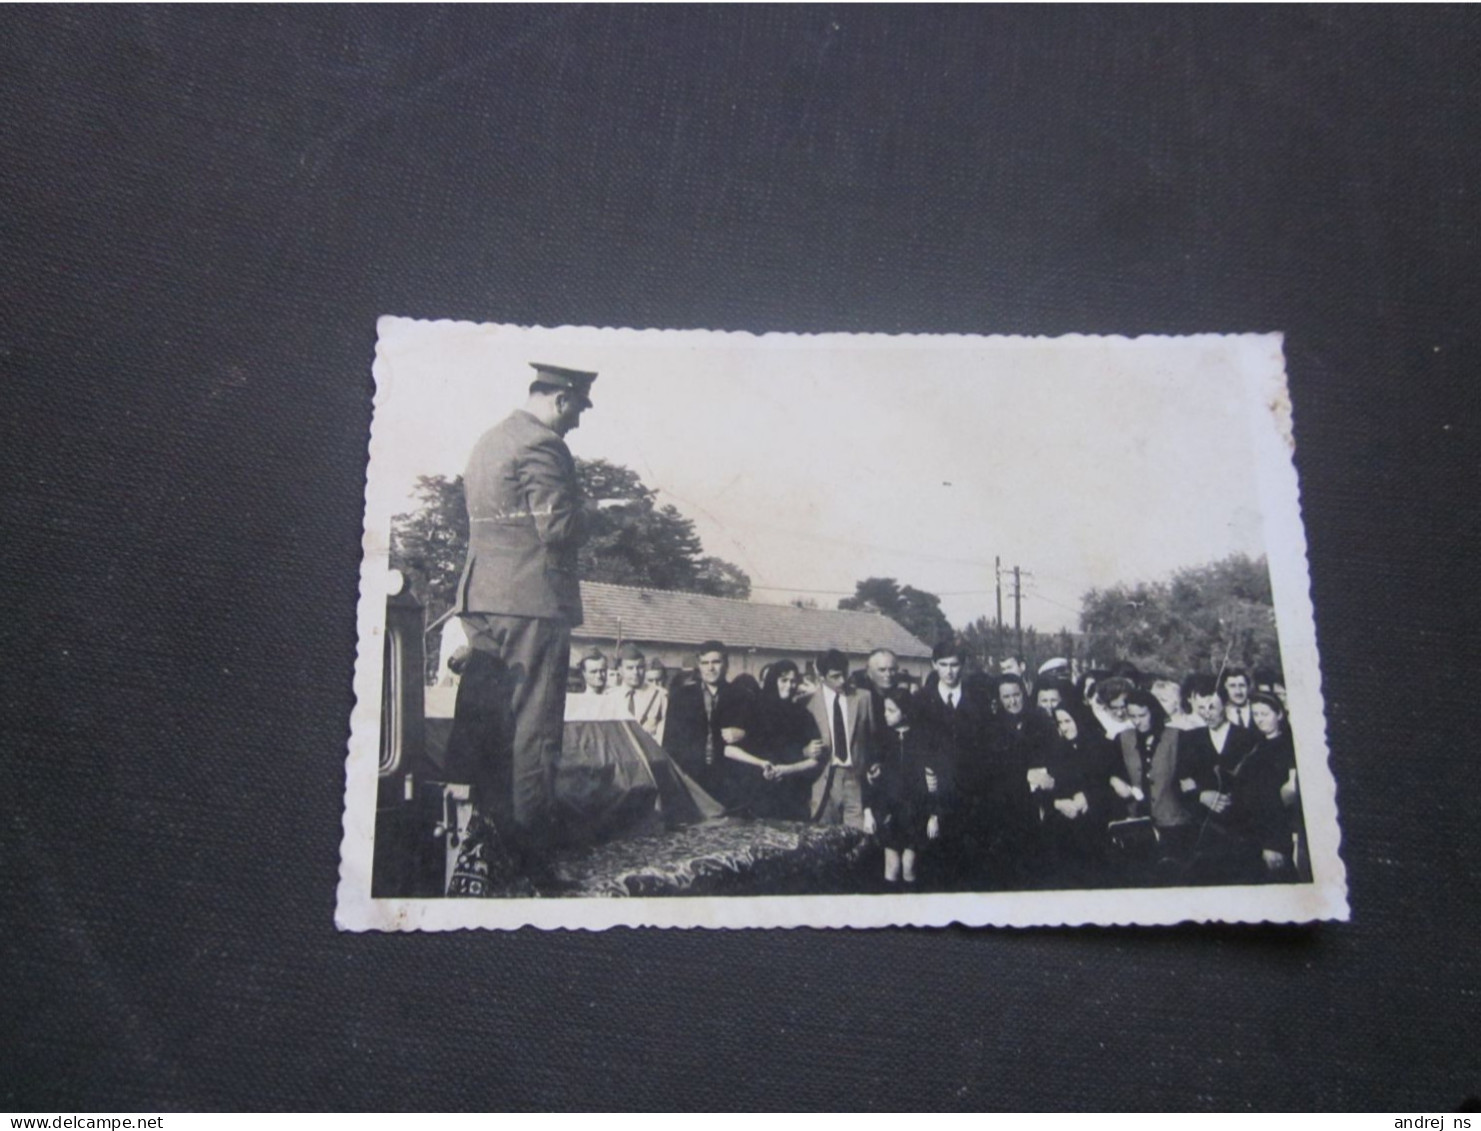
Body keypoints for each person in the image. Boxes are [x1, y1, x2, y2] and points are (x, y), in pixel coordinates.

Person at [442, 362, 603, 878]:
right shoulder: (544, 444)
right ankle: (532, 858)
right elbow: (558, 528)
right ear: (561, 399)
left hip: (483, 599)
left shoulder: (489, 440)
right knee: (534, 733)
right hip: (532, 603)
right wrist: (599, 511)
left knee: (491, 728)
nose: (578, 421)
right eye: (578, 408)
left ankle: (484, 848)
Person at [912, 641, 995, 887]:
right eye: (944, 665)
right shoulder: (921, 701)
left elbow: (987, 747)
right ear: (934, 665)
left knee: (971, 865)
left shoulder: (978, 700)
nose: (949, 671)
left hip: (972, 796)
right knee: (936, 864)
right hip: (935, 794)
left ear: (963, 666)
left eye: (955, 665)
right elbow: (917, 746)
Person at [1110, 688, 1196, 881]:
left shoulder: (1178, 737)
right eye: (1132, 716)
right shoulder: (1122, 739)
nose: (1137, 721)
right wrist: (1115, 781)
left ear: (1154, 712)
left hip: (1174, 822)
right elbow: (1111, 770)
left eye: (1142, 715)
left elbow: (1188, 775)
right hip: (1137, 823)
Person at [729, 660, 824, 819]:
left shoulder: (803, 715)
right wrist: (760, 765)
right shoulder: (753, 711)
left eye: (793, 681)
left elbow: (816, 759)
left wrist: (786, 770)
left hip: (792, 796)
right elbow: (730, 750)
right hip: (757, 795)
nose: (790, 685)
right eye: (784, 680)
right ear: (773, 681)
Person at [662, 640, 753, 806]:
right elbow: (670, 742)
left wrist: (744, 734)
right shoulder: (681, 697)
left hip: (729, 782)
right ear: (699, 665)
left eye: (716, 662)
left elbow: (761, 737)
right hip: (692, 780)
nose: (710, 668)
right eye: (705, 663)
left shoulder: (743, 696)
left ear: (726, 664)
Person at [864, 692, 942, 885]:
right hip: (889, 812)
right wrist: (868, 812)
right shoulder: (880, 740)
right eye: (884, 710)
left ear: (905, 713)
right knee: (891, 867)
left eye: (891, 710)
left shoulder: (922, 740)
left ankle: (911, 909)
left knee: (909, 866)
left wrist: (934, 816)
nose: (885, 715)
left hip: (915, 813)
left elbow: (932, 782)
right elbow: (870, 779)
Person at [1037, 704, 1116, 888]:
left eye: (1068, 721)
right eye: (1060, 722)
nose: (1064, 727)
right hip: (1062, 831)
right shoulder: (1054, 750)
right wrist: (1057, 803)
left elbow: (1112, 785)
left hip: (1096, 830)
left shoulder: (1104, 747)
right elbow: (1041, 791)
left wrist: (1088, 796)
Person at [802, 648, 875, 829]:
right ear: (821, 676)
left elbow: (873, 739)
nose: (842, 681)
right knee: (823, 838)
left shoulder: (863, 698)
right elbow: (797, 742)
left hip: (855, 779)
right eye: (835, 676)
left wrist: (873, 765)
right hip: (823, 780)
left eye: (844, 674)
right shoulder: (807, 703)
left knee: (858, 839)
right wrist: (805, 751)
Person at [609, 643, 667, 743]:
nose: (635, 672)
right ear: (620, 670)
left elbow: (663, 734)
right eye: (630, 668)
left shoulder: (659, 696)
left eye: (639, 667)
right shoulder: (610, 696)